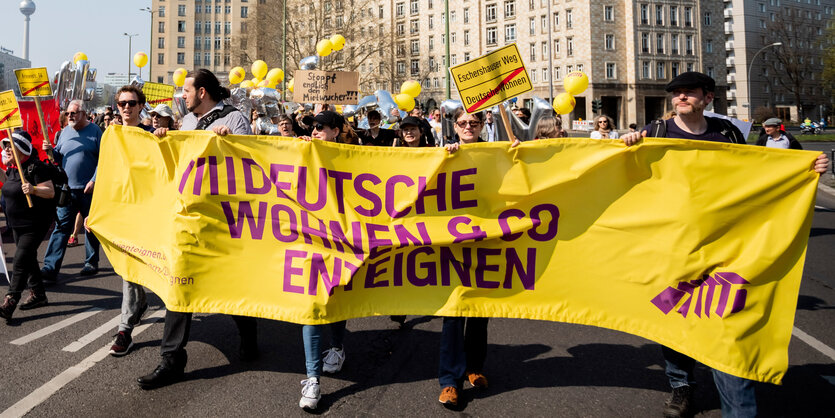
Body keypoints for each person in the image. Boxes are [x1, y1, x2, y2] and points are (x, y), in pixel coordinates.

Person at [621, 71, 829, 418]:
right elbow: (626, 180)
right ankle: (681, 386)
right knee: (673, 321)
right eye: (676, 93)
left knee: (725, 326)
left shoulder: (728, 134)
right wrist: (626, 148)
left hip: (725, 247)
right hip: (671, 247)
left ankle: (740, 411)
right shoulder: (655, 133)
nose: (681, 98)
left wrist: (808, 167)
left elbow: (757, 176)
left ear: (707, 98)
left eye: (689, 92)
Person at [137, 69, 257, 390]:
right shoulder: (187, 124)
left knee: (228, 288)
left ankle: (249, 332)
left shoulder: (234, 120)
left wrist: (230, 144)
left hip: (222, 220)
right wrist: (165, 143)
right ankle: (171, 359)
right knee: (180, 283)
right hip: (189, 218)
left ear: (202, 92)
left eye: (187, 91)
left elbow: (251, 165)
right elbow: (177, 166)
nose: (183, 97)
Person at [297, 110, 351, 410]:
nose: (314, 131)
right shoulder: (302, 148)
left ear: (335, 131)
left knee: (336, 299)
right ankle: (313, 378)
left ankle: (338, 347)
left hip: (341, 241)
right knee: (312, 306)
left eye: (320, 127)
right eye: (311, 127)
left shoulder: (351, 155)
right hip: (307, 241)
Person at [438, 109, 490, 407]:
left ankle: (474, 368)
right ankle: (449, 381)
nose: (468, 126)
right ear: (454, 127)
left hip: (487, 242)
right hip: (454, 245)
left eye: (474, 122)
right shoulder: (445, 152)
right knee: (453, 315)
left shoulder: (494, 153)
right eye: (463, 123)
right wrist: (447, 157)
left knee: (481, 311)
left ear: (482, 126)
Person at [106, 86, 154, 357]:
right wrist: (95, 211)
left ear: (140, 106)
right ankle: (130, 319)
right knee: (127, 269)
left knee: (139, 268)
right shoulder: (111, 135)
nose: (126, 107)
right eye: (121, 103)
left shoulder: (152, 136)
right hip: (122, 212)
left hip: (148, 211)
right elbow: (107, 171)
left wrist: (162, 138)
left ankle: (129, 321)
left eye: (131, 103)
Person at [40, 100, 102, 286]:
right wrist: (50, 151)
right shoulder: (65, 132)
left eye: (74, 113)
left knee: (90, 227)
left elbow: (104, 159)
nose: (70, 116)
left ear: (84, 113)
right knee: (61, 227)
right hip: (67, 189)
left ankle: (91, 262)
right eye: (68, 114)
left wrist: (94, 180)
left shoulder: (95, 131)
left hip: (89, 189)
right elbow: (58, 157)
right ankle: (50, 267)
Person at [0, 132, 56, 321]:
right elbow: (9, 186)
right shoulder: (14, 168)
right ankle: (39, 294)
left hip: (35, 223)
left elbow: (50, 191)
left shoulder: (36, 167)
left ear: (21, 148)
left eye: (10, 145)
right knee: (28, 258)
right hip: (17, 223)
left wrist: (33, 189)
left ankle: (11, 299)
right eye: (5, 145)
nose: (6, 149)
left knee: (20, 259)